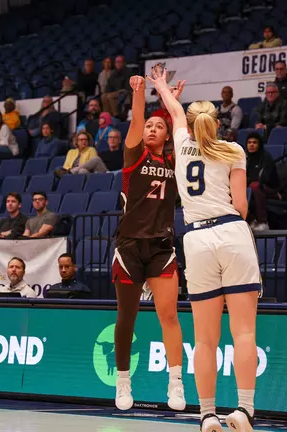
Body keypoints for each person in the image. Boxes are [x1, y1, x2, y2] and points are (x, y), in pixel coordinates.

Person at [149, 67, 260, 432]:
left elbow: (175, 113)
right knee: (243, 332)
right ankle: (244, 411)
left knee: (205, 339)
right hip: (230, 232)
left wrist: (163, 87)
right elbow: (242, 206)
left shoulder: (180, 144)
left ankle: (207, 415)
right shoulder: (233, 150)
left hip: (195, 239)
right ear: (216, 122)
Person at [109, 74, 186, 413]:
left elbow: (181, 124)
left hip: (160, 247)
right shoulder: (133, 157)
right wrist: (139, 92)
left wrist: (169, 99)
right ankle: (123, 381)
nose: (152, 129)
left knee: (169, 316)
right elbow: (138, 119)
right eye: (150, 126)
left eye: (159, 126)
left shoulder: (174, 162)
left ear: (167, 135)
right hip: (129, 247)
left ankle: (176, 382)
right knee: (127, 317)